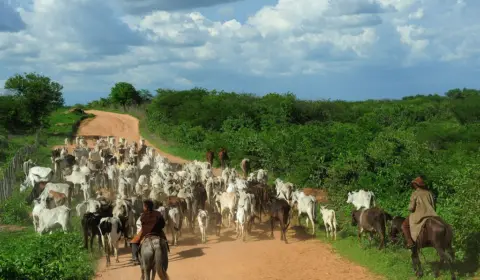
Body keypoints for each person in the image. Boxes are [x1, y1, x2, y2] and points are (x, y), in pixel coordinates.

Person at [401, 176, 438, 249]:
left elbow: (411, 208)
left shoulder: (415, 193)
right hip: (431, 215)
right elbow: (434, 206)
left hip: (419, 215)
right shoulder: (429, 193)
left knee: (404, 225)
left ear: (416, 185)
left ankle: (410, 242)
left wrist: (409, 207)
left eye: (414, 185)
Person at [130, 200, 167, 265]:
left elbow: (141, 225)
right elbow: (163, 224)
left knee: (134, 242)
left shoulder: (143, 215)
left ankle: (135, 258)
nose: (143, 207)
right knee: (164, 240)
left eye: (143, 206)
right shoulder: (158, 213)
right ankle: (166, 253)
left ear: (146, 207)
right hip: (157, 231)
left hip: (146, 232)